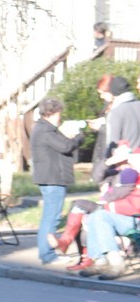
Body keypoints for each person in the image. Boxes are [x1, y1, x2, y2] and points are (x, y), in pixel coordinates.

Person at [30, 96, 85, 265]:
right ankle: (47, 255)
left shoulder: (43, 129)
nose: (60, 116)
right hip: (53, 179)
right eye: (59, 112)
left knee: (49, 216)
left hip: (49, 178)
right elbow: (66, 146)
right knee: (51, 218)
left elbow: (60, 144)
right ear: (53, 113)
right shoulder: (46, 130)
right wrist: (79, 136)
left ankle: (46, 253)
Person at [76, 150, 140, 280]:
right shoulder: (128, 174)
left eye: (135, 160)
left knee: (100, 215)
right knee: (96, 215)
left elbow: (136, 204)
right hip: (126, 217)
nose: (131, 163)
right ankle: (100, 261)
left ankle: (115, 263)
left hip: (135, 219)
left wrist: (108, 205)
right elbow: (97, 177)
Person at [57, 165, 137, 268]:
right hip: (110, 207)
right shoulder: (116, 171)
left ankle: (88, 256)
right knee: (78, 207)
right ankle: (87, 256)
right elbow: (96, 178)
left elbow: (121, 193)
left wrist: (106, 194)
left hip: (117, 209)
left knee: (88, 212)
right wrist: (107, 163)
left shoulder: (130, 172)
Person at [105, 75, 140, 153]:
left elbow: (113, 143)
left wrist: (108, 158)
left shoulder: (116, 111)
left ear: (113, 91)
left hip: (127, 160)